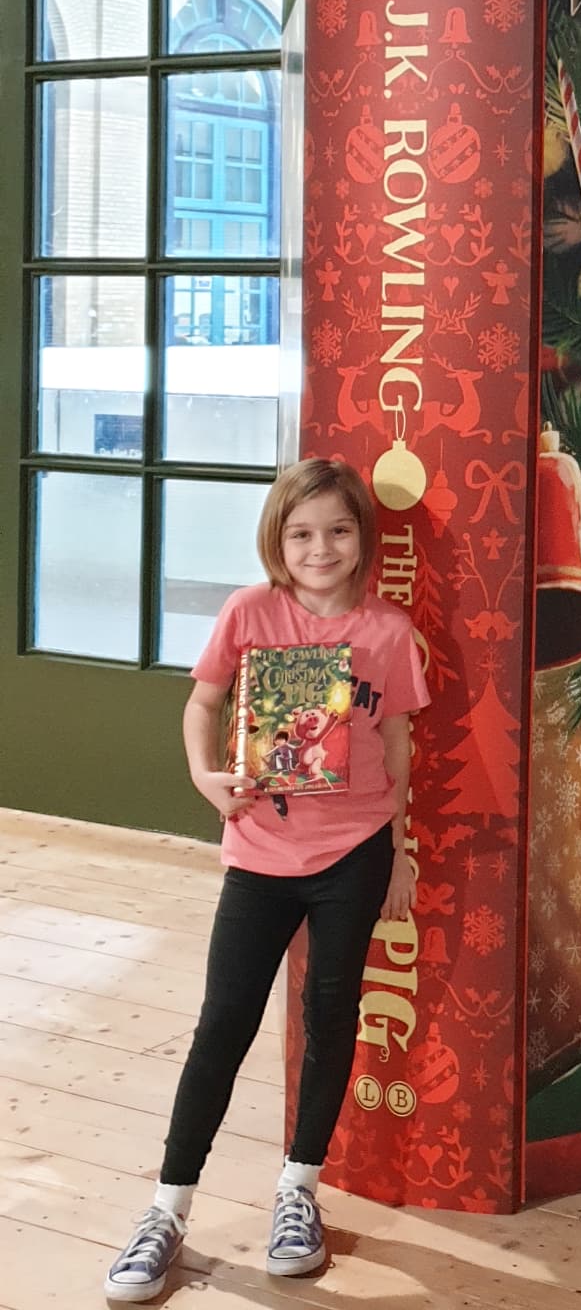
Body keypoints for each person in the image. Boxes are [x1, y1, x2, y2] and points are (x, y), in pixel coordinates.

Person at [104, 458, 429, 1302]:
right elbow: (202, 704)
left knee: (332, 1015)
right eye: (301, 532)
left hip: (354, 851)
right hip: (258, 853)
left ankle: (299, 1190)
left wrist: (399, 849)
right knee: (224, 1023)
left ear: (362, 537)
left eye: (338, 530)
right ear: (277, 539)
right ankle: (167, 1208)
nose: (320, 548)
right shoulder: (249, 612)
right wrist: (205, 778)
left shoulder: (388, 632)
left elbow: (396, 744)